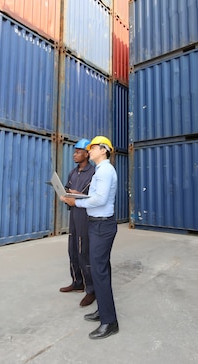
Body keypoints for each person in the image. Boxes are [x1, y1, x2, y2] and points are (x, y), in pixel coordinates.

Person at [60, 136, 119, 340]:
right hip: (98, 224)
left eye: (92, 147)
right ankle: (103, 310)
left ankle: (109, 322)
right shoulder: (102, 170)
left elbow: (100, 200)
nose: (89, 150)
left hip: (102, 225)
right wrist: (77, 195)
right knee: (101, 269)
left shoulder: (104, 170)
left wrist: (75, 203)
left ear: (103, 150)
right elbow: (95, 197)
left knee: (99, 270)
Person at [59, 138, 96, 308]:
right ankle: (77, 282)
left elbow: (94, 197)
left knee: (83, 251)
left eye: (78, 152)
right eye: (74, 151)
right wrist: (65, 193)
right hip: (74, 213)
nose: (74, 154)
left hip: (85, 215)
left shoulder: (93, 173)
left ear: (87, 154)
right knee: (72, 248)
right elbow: (67, 187)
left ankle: (91, 289)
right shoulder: (73, 173)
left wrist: (76, 194)